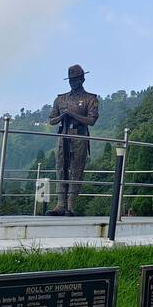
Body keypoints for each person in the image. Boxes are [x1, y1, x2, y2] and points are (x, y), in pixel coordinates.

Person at [47, 64, 100, 216]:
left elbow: (91, 120)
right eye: (71, 80)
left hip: (79, 136)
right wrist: (62, 116)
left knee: (76, 169)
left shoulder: (90, 98)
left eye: (76, 79)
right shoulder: (60, 99)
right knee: (60, 168)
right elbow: (52, 120)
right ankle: (60, 204)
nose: (73, 82)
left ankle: (70, 205)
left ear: (82, 79)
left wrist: (72, 114)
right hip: (63, 135)